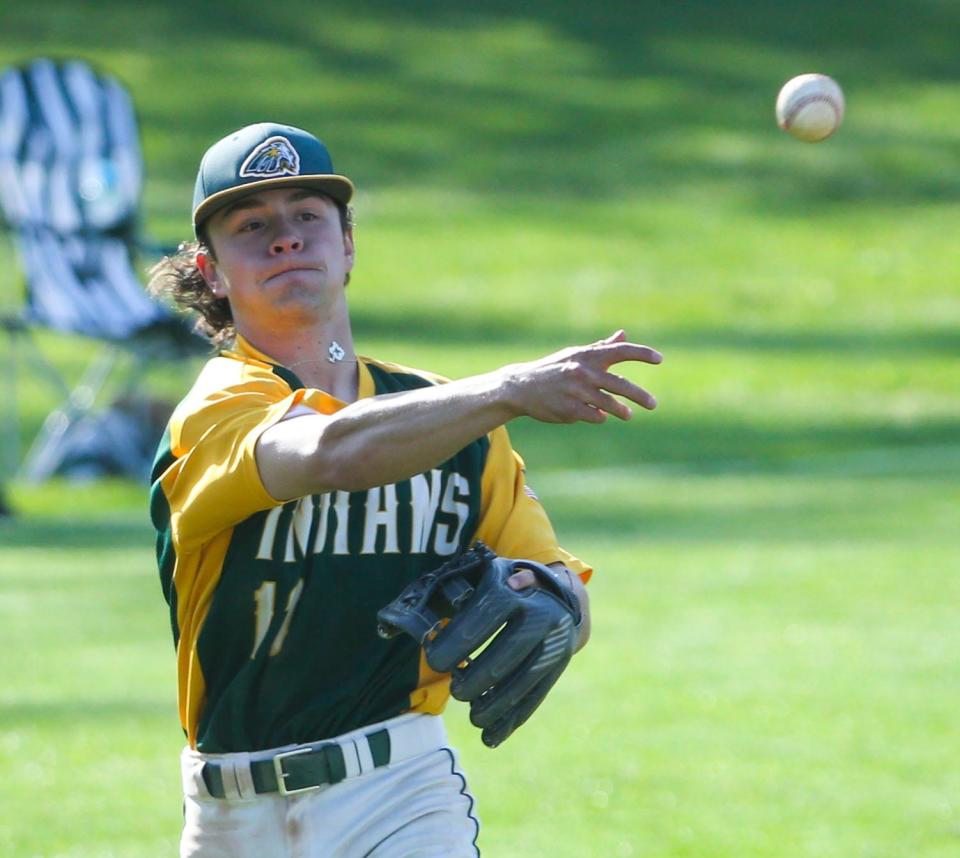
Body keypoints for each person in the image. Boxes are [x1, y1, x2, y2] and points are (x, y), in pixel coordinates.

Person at [148, 122, 662, 858]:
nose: (285, 239)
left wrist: (552, 601)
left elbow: (561, 587)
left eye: (307, 217)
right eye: (251, 225)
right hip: (231, 814)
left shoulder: (452, 416)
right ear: (213, 269)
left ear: (348, 244)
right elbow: (328, 450)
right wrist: (513, 387)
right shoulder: (217, 409)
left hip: (398, 790)